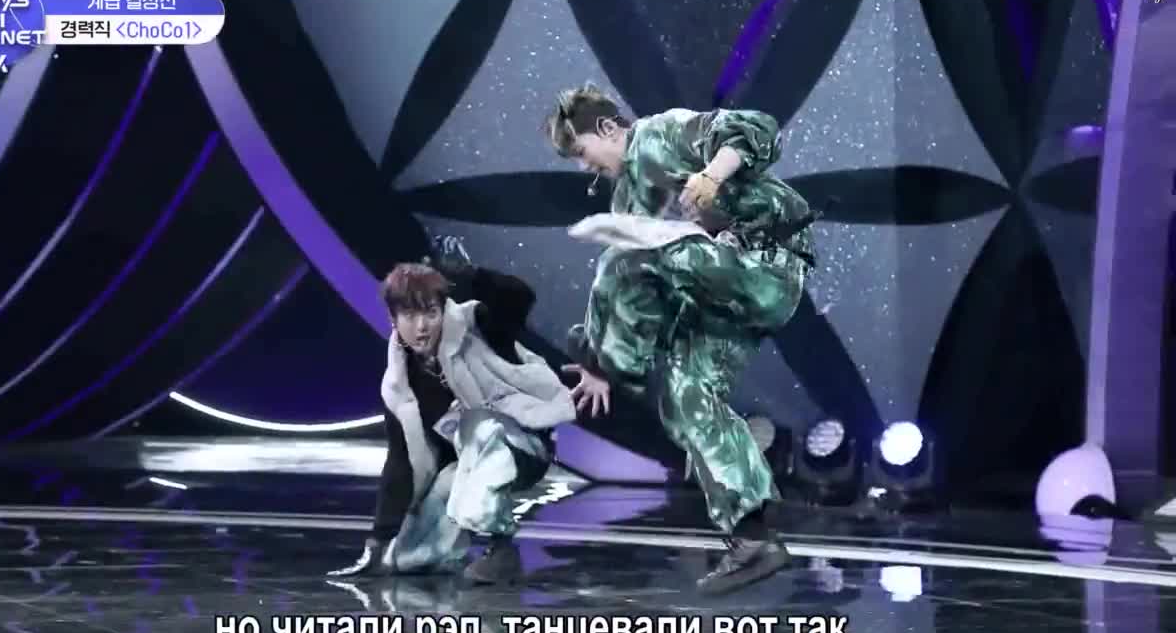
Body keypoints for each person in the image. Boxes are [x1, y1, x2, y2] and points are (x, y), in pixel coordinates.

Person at [544, 84, 819, 594]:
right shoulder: (629, 196)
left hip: (765, 264)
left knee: (625, 255)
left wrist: (713, 175)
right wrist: (598, 367)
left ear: (606, 128)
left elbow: (759, 127)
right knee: (684, 395)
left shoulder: (661, 133)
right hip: (721, 287)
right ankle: (753, 536)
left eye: (582, 151)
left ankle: (613, 359)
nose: (585, 167)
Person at [330, 244, 576, 584]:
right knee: (409, 555)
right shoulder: (399, 383)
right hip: (469, 458)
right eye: (410, 316)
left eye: (430, 313)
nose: (422, 326)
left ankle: (502, 550)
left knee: (478, 427)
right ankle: (424, 554)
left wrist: (472, 274)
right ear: (392, 319)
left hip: (524, 446)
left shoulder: (477, 329)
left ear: (443, 310)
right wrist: (379, 540)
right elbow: (401, 462)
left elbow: (519, 297)